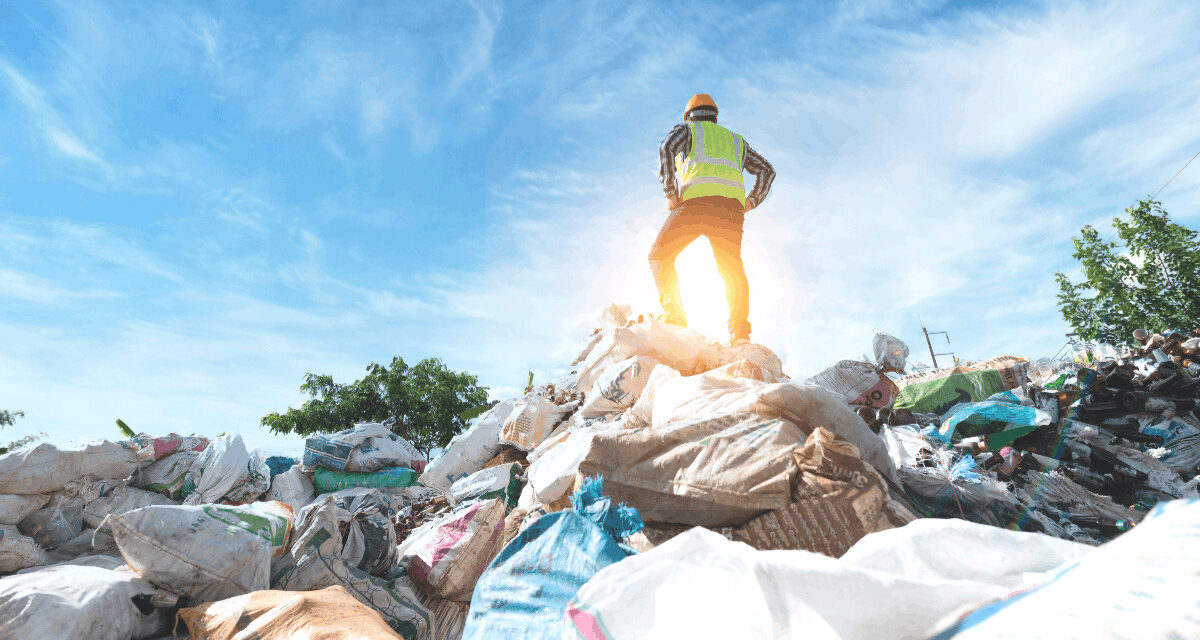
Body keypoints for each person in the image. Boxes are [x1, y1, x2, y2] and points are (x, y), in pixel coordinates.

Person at [650, 93, 775, 345]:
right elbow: (767, 170)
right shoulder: (736, 141)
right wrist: (751, 201)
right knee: (731, 269)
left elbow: (666, 148)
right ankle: (740, 333)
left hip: (696, 204)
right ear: (715, 116)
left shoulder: (688, 131)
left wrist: (670, 192)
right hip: (730, 211)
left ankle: (674, 317)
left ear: (689, 116)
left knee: (659, 256)